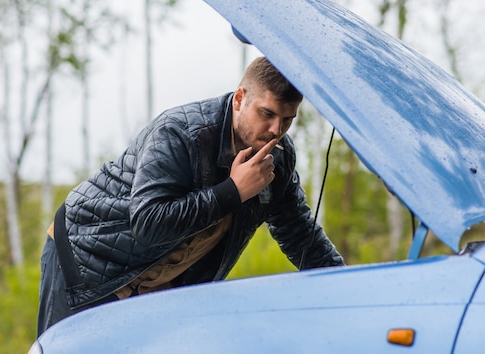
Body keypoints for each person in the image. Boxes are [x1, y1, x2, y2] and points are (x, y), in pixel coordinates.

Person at [37, 56, 344, 336]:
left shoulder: (278, 157)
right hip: (86, 258)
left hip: (156, 282)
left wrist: (348, 287)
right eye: (267, 114)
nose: (276, 130)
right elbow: (148, 223)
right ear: (240, 98)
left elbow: (299, 233)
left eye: (288, 119)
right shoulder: (181, 133)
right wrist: (232, 192)